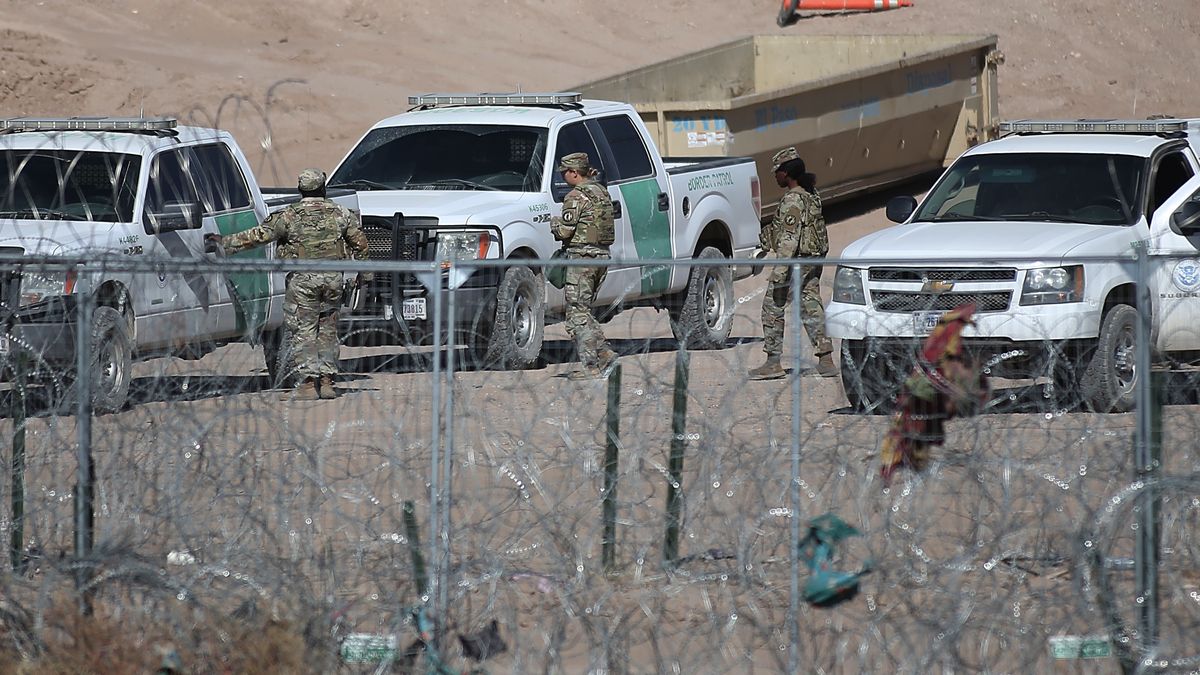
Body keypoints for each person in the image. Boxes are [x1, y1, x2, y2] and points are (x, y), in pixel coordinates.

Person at [206, 168, 370, 400]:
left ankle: (307, 385)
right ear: (323, 189)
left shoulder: (289, 216)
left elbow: (259, 235)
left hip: (303, 281)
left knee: (303, 330)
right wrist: (366, 275)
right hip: (333, 279)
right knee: (327, 329)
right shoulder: (341, 213)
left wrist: (225, 242)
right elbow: (360, 244)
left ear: (300, 190)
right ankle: (327, 382)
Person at [749, 147, 837, 380]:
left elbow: (789, 240)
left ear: (786, 173)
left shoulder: (793, 200)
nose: (775, 176)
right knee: (810, 303)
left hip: (796, 261)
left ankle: (773, 361)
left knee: (772, 306)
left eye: (777, 172)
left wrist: (779, 272)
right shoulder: (811, 194)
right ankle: (826, 358)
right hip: (811, 260)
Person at [550, 152, 617, 380]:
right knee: (584, 310)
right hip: (600, 258)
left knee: (576, 315)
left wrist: (554, 224)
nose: (563, 177)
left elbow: (565, 231)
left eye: (564, 173)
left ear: (574, 173)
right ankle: (604, 353)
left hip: (581, 259)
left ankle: (591, 367)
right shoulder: (601, 192)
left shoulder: (575, 196)